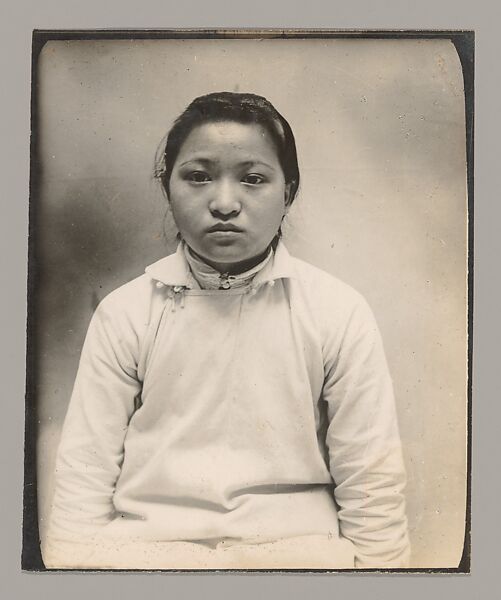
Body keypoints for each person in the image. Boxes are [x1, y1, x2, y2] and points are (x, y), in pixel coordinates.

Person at [43, 92, 410, 570]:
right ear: (167, 185)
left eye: (253, 179)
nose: (223, 203)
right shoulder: (125, 313)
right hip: (147, 561)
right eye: (198, 177)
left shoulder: (336, 311)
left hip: (300, 562)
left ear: (288, 190)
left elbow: (371, 481)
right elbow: (84, 476)